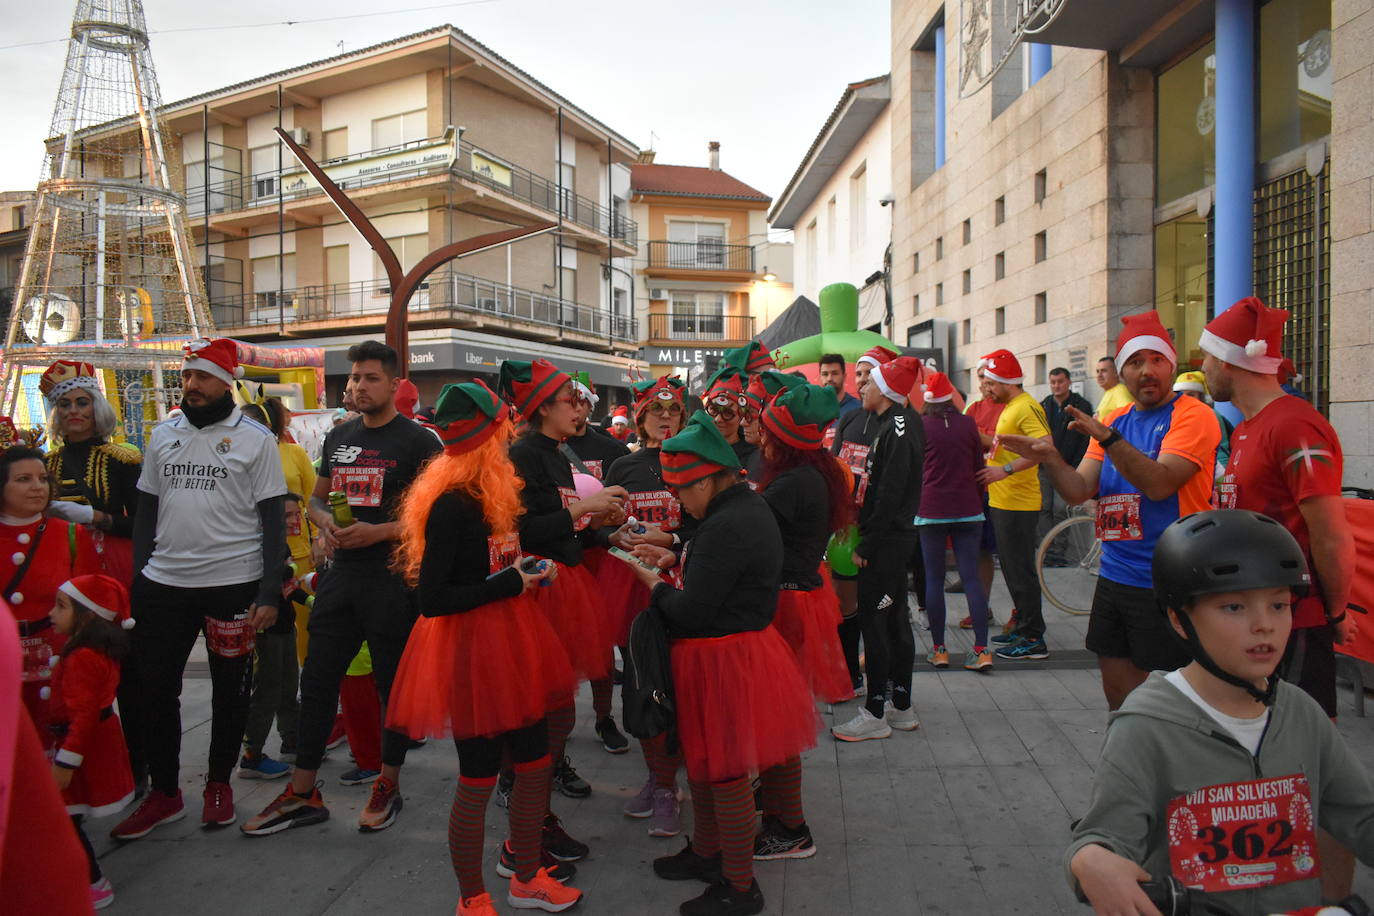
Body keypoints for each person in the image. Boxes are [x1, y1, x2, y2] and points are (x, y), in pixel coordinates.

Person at [1067, 509, 1374, 916]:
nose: (1264, 625)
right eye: (1234, 607)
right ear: (1180, 620)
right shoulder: (1145, 725)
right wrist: (1090, 860)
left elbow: (1360, 816)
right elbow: (1103, 837)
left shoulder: (1301, 712)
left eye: (1279, 605)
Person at [386, 380, 581, 916]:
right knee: (477, 776)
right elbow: (432, 600)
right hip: (472, 650)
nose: (508, 443)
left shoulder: (496, 494)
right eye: (502, 433)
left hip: (516, 642)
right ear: (486, 438)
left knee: (536, 761)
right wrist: (510, 584)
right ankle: (472, 898)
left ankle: (526, 877)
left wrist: (529, 572)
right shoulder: (452, 505)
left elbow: (500, 562)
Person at [242, 340, 440, 836]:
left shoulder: (420, 443)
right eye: (354, 378)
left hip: (393, 579)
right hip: (341, 576)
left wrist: (380, 532)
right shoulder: (340, 437)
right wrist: (327, 524)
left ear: (394, 384)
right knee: (318, 682)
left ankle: (387, 784)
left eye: (370, 378)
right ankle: (303, 792)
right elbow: (315, 500)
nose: (358, 386)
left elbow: (438, 518)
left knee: (390, 688)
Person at [625, 410, 817, 916]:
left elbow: (692, 609)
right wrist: (677, 555)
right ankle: (709, 854)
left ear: (709, 479)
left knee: (725, 773)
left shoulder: (728, 523)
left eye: (683, 490)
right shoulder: (739, 510)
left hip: (723, 659)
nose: (678, 500)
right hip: (732, 652)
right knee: (706, 769)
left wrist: (653, 584)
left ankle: (739, 885)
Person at [1202, 296, 1360, 899]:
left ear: (1234, 363)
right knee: (1263, 764)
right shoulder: (1246, 428)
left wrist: (1336, 614)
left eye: (1208, 356)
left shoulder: (1295, 424)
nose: (1202, 366)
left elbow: (1330, 532)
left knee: (1309, 766)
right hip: (1253, 626)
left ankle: (1335, 898)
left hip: (1295, 625)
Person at [111, 338, 286, 840]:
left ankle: (217, 785)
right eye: (188, 376)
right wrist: (140, 575)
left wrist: (269, 593)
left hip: (233, 583)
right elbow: (146, 510)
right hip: (163, 585)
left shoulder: (256, 439)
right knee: (154, 691)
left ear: (226, 381)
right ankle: (165, 793)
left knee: (231, 691)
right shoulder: (162, 434)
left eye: (204, 376)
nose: (193, 385)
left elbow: (273, 521)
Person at [1000, 313, 1217, 705]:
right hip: (1115, 577)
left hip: (1168, 581)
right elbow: (1079, 489)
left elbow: (1160, 483)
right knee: (1119, 697)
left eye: (1156, 360)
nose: (1146, 371)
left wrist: (1109, 437)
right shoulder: (1115, 419)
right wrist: (1049, 458)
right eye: (1135, 363)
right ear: (1123, 372)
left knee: (1174, 705)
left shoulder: (1192, 415)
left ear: (1171, 365)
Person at [498, 358, 628, 859]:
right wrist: (583, 510)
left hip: (564, 583)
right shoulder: (525, 454)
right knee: (541, 705)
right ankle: (528, 805)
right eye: (570, 401)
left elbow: (562, 523)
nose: (581, 409)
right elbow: (525, 531)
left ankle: (538, 790)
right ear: (543, 407)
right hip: (541, 590)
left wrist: (605, 532)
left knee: (555, 705)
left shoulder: (554, 451)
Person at [754, 381, 851, 860]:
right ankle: (775, 803)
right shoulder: (819, 473)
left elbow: (746, 535)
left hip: (786, 606)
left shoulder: (793, 484)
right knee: (778, 714)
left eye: (768, 431)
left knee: (777, 719)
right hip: (800, 596)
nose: (761, 438)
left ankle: (790, 828)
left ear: (784, 441)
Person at [601, 376, 690, 838]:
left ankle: (677, 778)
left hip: (684, 586)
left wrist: (674, 542)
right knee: (641, 686)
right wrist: (610, 532)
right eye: (655, 411)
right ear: (640, 419)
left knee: (682, 687)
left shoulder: (695, 461)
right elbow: (602, 523)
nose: (664, 417)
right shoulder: (623, 466)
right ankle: (659, 782)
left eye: (672, 411)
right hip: (633, 587)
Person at [831, 356, 924, 741]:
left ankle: (875, 713)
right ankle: (901, 706)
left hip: (885, 544)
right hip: (892, 540)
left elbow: (890, 492)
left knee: (876, 620)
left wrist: (867, 544)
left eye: (869, 382)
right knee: (895, 618)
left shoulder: (897, 427)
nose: (862, 387)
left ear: (885, 389)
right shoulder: (899, 423)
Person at [48, 574, 136, 910]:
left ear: (87, 616)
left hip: (81, 747)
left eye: (61, 606)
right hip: (90, 742)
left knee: (65, 817)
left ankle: (91, 882)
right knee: (68, 816)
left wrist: (66, 760)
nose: (52, 613)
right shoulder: (94, 651)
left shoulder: (83, 657)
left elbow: (82, 714)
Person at [4, 443, 100, 745]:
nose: (37, 487)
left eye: (43, 479)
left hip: (59, 668)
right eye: (23, 479)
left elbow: (90, 610)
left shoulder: (71, 535)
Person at [563, 371, 632, 755]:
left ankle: (604, 717)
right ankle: (564, 717)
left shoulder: (610, 450)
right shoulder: (539, 449)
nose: (574, 409)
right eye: (567, 401)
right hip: (559, 558)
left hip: (601, 556)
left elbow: (629, 497)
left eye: (580, 402)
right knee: (561, 643)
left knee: (602, 643)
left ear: (590, 406)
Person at [974, 349, 1052, 661]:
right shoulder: (1011, 406)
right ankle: (1023, 626)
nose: (987, 387)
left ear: (1007, 381)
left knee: (1020, 572)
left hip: (1019, 503)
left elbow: (1045, 447)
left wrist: (1003, 470)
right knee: (1011, 570)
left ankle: (1034, 638)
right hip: (1004, 501)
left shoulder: (1026, 406)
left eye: (991, 382)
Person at [828, 345, 895, 693]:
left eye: (870, 375)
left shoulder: (898, 423)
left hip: (882, 529)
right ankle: (850, 674)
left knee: (882, 607)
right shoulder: (851, 418)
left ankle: (886, 684)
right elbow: (836, 468)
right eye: (860, 375)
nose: (863, 381)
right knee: (846, 603)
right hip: (849, 525)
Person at [916, 371, 994, 672]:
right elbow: (979, 467)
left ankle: (940, 650)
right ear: (951, 396)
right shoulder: (968, 424)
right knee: (972, 577)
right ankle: (981, 650)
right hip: (969, 509)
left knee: (934, 579)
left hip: (931, 510)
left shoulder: (921, 427)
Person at [39, 360, 141, 585]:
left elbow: (143, 525)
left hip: (109, 564)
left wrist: (96, 517)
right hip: (57, 562)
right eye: (64, 404)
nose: (73, 410)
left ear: (96, 408)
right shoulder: (45, 464)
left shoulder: (121, 460)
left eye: (82, 402)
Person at [959, 365, 1008, 632]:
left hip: (1007, 491)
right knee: (979, 552)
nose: (986, 384)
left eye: (990, 379)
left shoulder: (1010, 407)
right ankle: (981, 607)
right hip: (976, 490)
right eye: (981, 378)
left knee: (1011, 558)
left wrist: (980, 438)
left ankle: (1020, 612)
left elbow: (1006, 444)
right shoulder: (973, 409)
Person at [1038, 366, 1093, 556]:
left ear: (1069, 382)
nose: (1057, 386)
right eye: (1053, 382)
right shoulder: (1043, 405)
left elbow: (1085, 440)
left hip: (1068, 466)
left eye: (1060, 381)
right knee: (1044, 507)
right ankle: (1047, 548)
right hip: (1045, 466)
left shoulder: (1081, 406)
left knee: (1061, 508)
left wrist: (1077, 465)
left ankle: (1059, 550)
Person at [1173, 370, 1233, 479]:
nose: (1184, 398)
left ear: (1201, 397)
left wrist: (1224, 482)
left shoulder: (1211, 415)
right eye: (1180, 394)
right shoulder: (1172, 416)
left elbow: (1221, 451)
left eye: (1191, 394)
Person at [1094, 355, 1133, 422]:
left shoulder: (1120, 391)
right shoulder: (1109, 391)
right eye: (1097, 371)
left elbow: (1129, 416)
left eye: (1104, 371)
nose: (1099, 375)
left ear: (1116, 373)